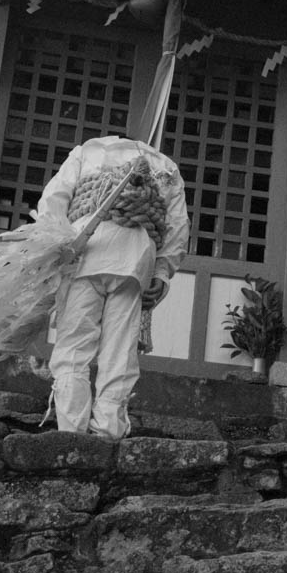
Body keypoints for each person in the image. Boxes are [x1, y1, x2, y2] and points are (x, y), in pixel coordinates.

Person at [36, 135, 190, 439]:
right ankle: (108, 428)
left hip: (86, 250)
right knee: (119, 349)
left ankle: (71, 429)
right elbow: (176, 226)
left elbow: (54, 200)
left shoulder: (87, 151)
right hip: (134, 259)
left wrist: (55, 248)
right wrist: (161, 272)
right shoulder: (166, 166)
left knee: (75, 344)